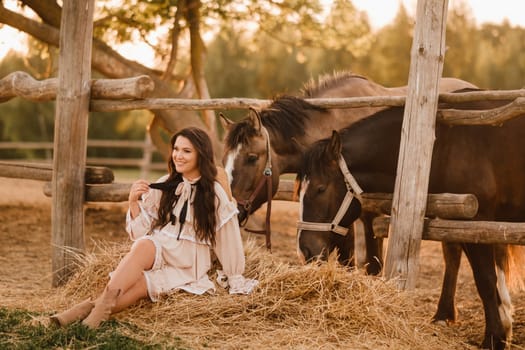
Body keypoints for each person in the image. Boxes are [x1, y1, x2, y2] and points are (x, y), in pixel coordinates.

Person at [50, 127, 258, 329]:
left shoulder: (214, 192)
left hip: (188, 260)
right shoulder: (165, 184)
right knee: (144, 245)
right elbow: (139, 232)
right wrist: (132, 202)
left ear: (200, 155)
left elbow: (228, 236)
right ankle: (97, 311)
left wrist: (234, 276)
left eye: (186, 151)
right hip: (163, 245)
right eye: (176, 149)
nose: (178, 155)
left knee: (142, 285)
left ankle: (87, 308)